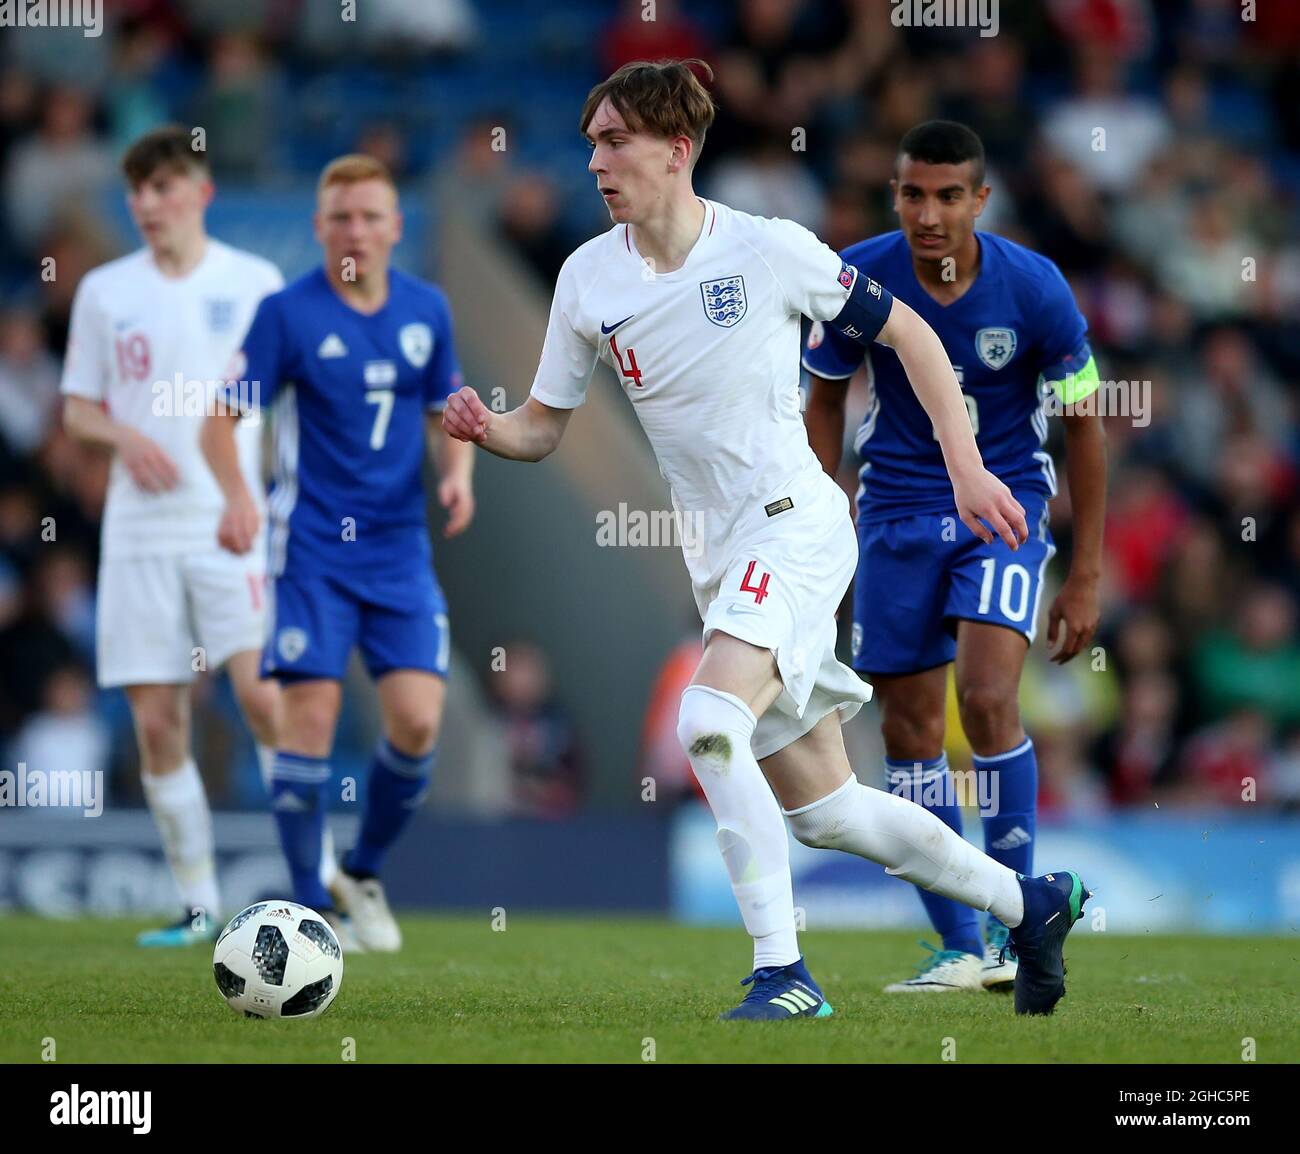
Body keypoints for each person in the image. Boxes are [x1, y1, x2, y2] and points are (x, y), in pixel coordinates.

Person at [444, 61, 1089, 1018]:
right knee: (827, 813)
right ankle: (1028, 904)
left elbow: (911, 334)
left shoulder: (768, 249)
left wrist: (964, 465)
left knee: (705, 723)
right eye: (590, 144)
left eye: (614, 141)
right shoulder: (586, 277)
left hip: (795, 525)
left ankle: (785, 977)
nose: (595, 163)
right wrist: (487, 428)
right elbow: (544, 425)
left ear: (677, 149)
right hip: (723, 560)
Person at [803, 121, 1107, 993]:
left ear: (981, 198)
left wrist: (1084, 572)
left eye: (946, 196)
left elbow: (1085, 428)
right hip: (894, 513)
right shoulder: (860, 277)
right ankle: (959, 946)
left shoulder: (1037, 289)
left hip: (1003, 507)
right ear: (894, 194)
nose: (927, 214)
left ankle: (1022, 925)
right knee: (906, 732)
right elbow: (824, 402)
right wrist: (823, 527)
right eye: (911, 194)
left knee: (983, 696)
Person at [202, 155, 474, 952]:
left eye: (369, 216)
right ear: (319, 227)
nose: (355, 229)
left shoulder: (428, 309)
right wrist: (240, 496)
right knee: (309, 716)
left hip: (398, 550)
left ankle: (363, 869)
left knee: (419, 722)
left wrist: (458, 474)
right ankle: (303, 912)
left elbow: (443, 411)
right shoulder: (286, 313)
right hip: (313, 546)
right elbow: (219, 420)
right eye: (341, 217)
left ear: (394, 227)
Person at [60, 126, 283, 946]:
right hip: (139, 530)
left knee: (264, 696)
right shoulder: (105, 292)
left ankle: (316, 882)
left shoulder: (255, 282)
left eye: (163, 189)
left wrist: (257, 489)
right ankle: (197, 905)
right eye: (137, 192)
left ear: (201, 193)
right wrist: (125, 437)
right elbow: (78, 406)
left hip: (230, 523)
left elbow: (279, 402)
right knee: (157, 719)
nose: (147, 205)